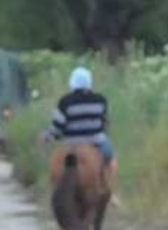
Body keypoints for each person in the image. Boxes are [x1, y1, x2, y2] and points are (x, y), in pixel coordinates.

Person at [47, 66, 120, 194]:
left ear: (72, 82)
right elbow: (104, 123)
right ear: (89, 82)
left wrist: (48, 137)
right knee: (111, 159)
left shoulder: (65, 102)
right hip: (96, 141)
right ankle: (110, 191)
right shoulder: (100, 100)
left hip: (71, 143)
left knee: (55, 163)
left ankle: (55, 190)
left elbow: (58, 128)